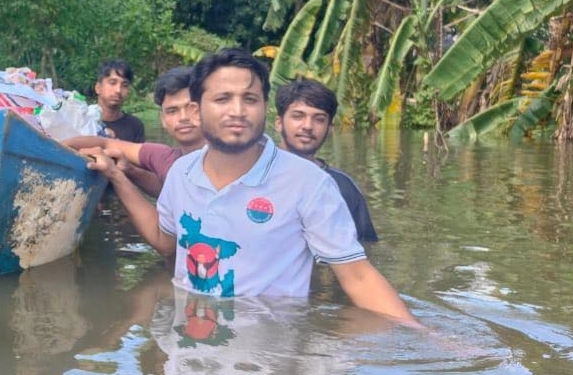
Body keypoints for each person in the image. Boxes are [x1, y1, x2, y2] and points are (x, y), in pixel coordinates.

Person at [84, 49, 415, 324]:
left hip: (268, 366)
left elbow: (358, 277)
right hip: (191, 350)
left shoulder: (308, 182)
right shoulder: (182, 173)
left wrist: (423, 338)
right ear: (198, 111)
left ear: (266, 108)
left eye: (250, 98)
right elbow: (166, 242)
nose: (238, 111)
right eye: (223, 98)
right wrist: (117, 176)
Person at [65, 66, 203, 196]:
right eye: (172, 111)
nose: (184, 117)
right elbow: (105, 143)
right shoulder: (164, 158)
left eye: (191, 108)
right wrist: (56, 146)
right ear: (163, 119)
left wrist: (116, 175)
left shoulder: (221, 160)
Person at [274, 78, 378, 242]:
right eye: (298, 116)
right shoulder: (252, 175)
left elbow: (365, 250)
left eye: (319, 119)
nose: (308, 126)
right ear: (279, 123)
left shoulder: (342, 187)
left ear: (329, 129)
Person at [94, 59, 145, 142]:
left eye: (124, 85)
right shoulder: (83, 120)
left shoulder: (135, 125)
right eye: (112, 83)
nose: (118, 90)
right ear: (98, 88)